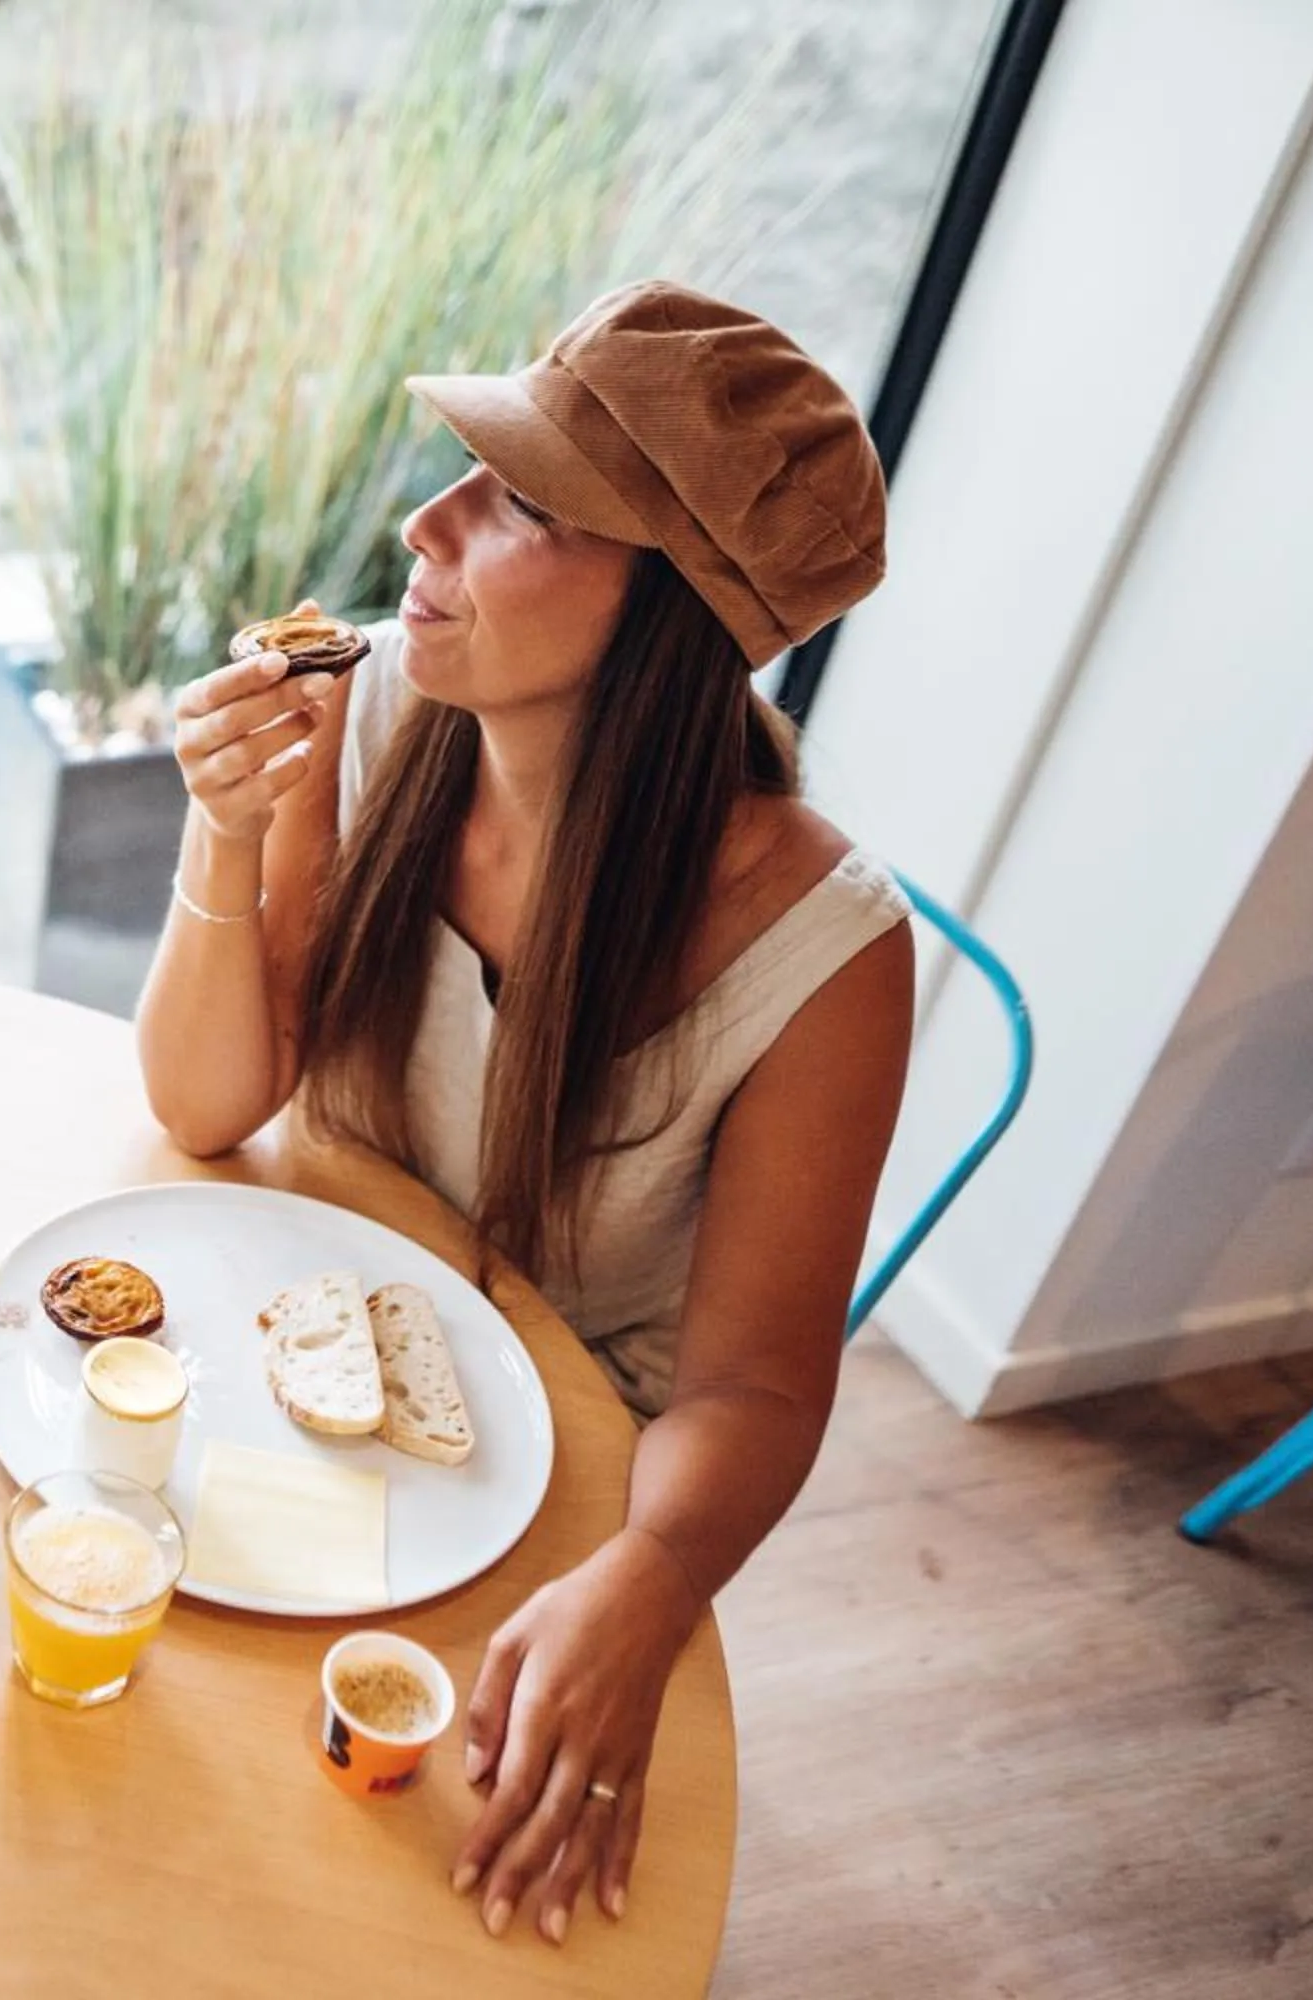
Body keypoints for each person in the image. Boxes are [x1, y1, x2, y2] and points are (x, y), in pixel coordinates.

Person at [136, 281, 913, 1944]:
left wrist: (649, 1584)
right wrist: (222, 832)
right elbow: (208, 1111)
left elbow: (757, 1382)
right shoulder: (386, 704)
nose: (424, 523)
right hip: (286, 1325)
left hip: (562, 1479)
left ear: (674, 615)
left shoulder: (827, 957)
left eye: (518, 503)